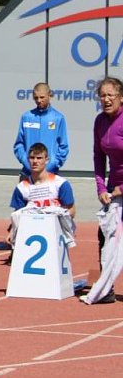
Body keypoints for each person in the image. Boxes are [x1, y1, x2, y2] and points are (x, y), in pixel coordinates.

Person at [6, 143, 75, 248]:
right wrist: (12, 232)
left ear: (46, 160)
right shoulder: (21, 187)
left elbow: (72, 211)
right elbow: (17, 214)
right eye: (32, 158)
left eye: (39, 158)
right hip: (31, 235)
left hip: (56, 233)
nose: (35, 161)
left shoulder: (60, 183)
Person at [92, 76, 123, 302]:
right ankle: (106, 288)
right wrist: (101, 187)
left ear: (121, 98)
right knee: (105, 236)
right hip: (113, 189)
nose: (106, 99)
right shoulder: (100, 121)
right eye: (103, 95)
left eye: (111, 95)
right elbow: (98, 157)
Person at [13, 83, 69, 176]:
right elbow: (19, 144)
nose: (39, 100)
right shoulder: (27, 117)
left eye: (42, 97)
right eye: (36, 98)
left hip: (50, 173)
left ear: (49, 95)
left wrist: (53, 164)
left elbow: (63, 146)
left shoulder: (58, 118)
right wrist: (26, 162)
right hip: (28, 173)